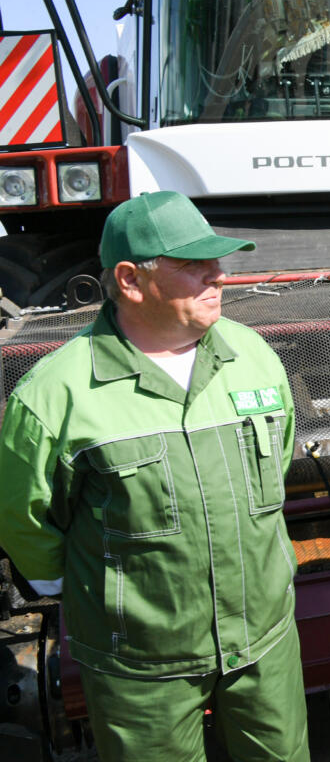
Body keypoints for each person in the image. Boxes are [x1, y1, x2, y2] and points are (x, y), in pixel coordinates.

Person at [0, 191, 309, 760]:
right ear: (130, 280)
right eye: (194, 264)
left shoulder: (254, 356)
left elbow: (278, 462)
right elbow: (26, 520)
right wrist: (93, 596)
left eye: (217, 260)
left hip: (264, 642)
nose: (219, 275)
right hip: (139, 667)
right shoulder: (54, 394)